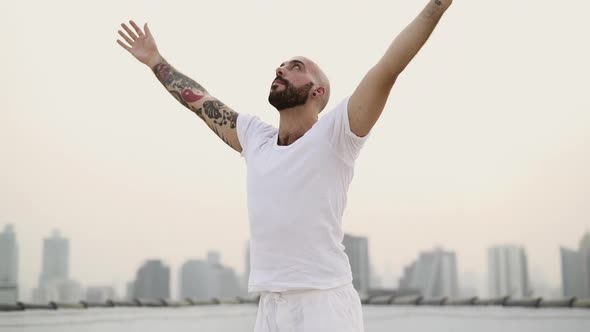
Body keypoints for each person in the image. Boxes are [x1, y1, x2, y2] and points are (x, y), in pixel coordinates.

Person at [116, 1, 453, 330]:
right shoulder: (255, 138)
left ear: (317, 91)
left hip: (324, 304)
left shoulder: (337, 134)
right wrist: (156, 61)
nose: (280, 69)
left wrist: (437, 5)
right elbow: (200, 102)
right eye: (281, 66)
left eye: (295, 67)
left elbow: (389, 67)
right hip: (271, 305)